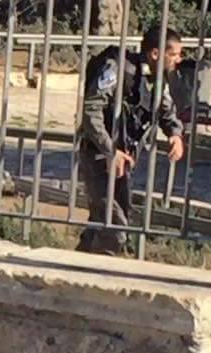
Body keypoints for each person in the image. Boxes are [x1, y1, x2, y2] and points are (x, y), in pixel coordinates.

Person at [76, 25, 185, 255]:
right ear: (155, 53)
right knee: (115, 226)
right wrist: (109, 150)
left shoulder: (157, 79)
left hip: (124, 159)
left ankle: (76, 264)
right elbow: (91, 110)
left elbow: (165, 110)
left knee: (105, 220)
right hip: (98, 155)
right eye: (174, 54)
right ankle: (100, 271)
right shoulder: (117, 69)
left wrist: (175, 134)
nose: (179, 59)